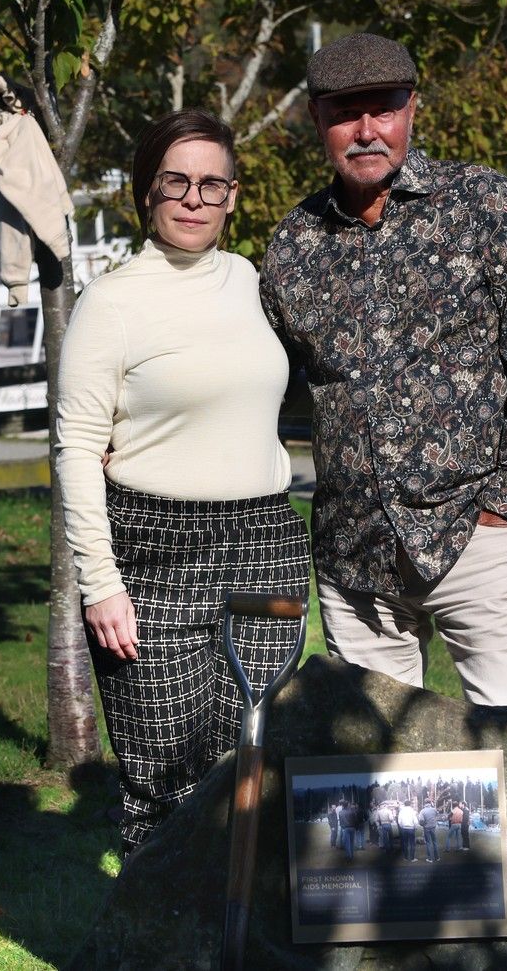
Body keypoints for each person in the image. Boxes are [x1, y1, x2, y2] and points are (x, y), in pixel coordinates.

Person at [260, 33, 507, 735]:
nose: (367, 130)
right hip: (353, 551)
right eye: (346, 113)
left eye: (384, 109)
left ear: (412, 109)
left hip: (476, 533)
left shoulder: (485, 204)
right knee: (376, 776)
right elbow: (260, 383)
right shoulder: (291, 246)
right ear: (317, 121)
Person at [56, 108, 310, 857]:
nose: (194, 199)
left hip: (265, 540)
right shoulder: (112, 301)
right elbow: (75, 447)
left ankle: (242, 945)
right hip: (151, 552)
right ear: (146, 194)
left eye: (212, 183)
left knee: (248, 771)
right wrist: (99, 581)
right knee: (162, 782)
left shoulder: (252, 282)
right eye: (176, 182)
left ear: (234, 195)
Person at [418, 797, 440, 863]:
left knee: (428, 843)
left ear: (425, 803)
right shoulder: (434, 809)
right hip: (433, 827)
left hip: (426, 828)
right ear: (430, 803)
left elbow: (421, 820)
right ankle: (437, 857)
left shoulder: (422, 811)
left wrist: (423, 825)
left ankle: (430, 858)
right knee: (435, 842)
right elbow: (437, 815)